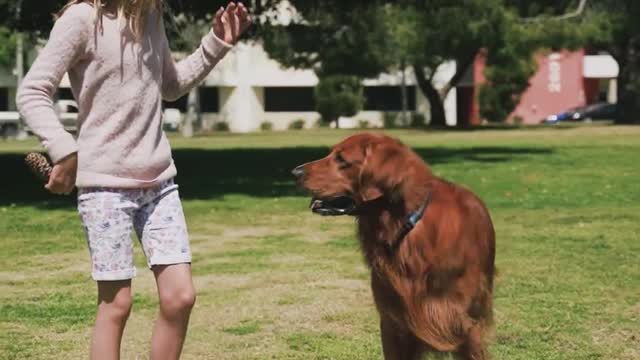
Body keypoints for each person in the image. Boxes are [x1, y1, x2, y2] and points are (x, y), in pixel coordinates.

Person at [16, 1, 251, 359]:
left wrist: (216, 43)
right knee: (117, 304)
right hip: (104, 189)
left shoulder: (150, 16)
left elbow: (170, 85)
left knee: (180, 297)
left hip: (159, 183)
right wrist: (64, 149)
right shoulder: (80, 20)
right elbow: (32, 91)